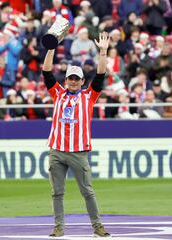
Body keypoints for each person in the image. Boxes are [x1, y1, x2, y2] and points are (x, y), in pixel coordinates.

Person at [42, 32, 110, 237]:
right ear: (66, 79)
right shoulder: (58, 93)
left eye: (76, 79)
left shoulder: (89, 96)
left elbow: (100, 75)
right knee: (57, 192)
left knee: (87, 191)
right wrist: (52, 48)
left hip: (78, 152)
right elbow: (46, 71)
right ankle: (58, 227)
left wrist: (103, 52)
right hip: (57, 150)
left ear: (82, 81)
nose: (72, 81)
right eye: (70, 78)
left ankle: (97, 226)